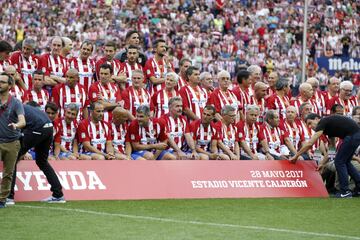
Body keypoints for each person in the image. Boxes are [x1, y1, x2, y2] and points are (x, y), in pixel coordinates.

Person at [290, 114, 360, 198]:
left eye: (310, 123)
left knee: (339, 162)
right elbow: (332, 149)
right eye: (307, 125)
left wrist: (296, 156)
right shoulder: (329, 127)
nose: (310, 126)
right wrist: (322, 163)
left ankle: (345, 191)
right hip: (355, 135)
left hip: (352, 136)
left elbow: (310, 144)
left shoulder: (322, 122)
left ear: (316, 119)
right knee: (346, 162)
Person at [8, 102, 65, 204]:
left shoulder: (10, 109)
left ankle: (9, 197)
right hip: (48, 128)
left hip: (37, 128)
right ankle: (58, 195)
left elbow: (16, 129)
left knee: (12, 159)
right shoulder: (22, 107)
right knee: (42, 162)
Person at [0, 73, 25, 208]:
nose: (0, 84)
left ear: (10, 86)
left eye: (3, 82)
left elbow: (23, 121)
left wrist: (17, 125)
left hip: (12, 142)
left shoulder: (16, 103)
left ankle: (2, 199)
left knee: (8, 173)